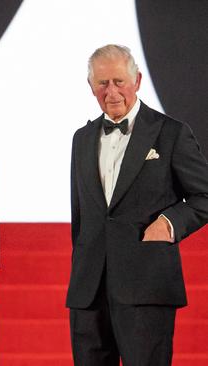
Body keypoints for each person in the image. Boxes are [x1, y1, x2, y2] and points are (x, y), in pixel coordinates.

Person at [67, 44, 208, 365]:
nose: (111, 91)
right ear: (91, 86)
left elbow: (204, 196)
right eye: (102, 83)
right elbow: (81, 216)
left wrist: (169, 223)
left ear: (137, 81)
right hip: (89, 291)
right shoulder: (81, 138)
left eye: (119, 81)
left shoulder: (171, 133)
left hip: (147, 286)